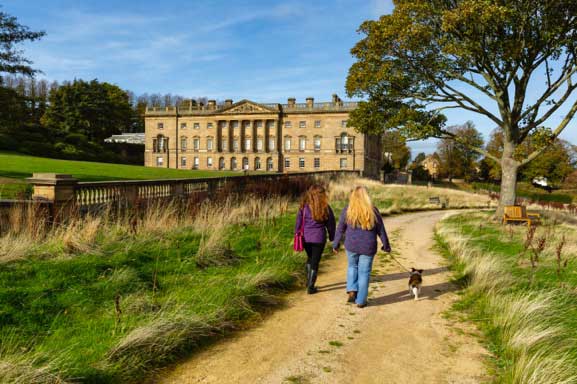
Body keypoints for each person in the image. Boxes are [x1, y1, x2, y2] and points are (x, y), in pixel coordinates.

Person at [333, 186, 391, 308]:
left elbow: (340, 229)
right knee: (364, 273)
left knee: (352, 266)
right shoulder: (373, 211)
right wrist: (386, 246)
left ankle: (352, 290)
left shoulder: (348, 210)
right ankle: (361, 301)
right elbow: (381, 230)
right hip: (368, 247)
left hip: (352, 245)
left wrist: (336, 244)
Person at [295, 185, 336, 294]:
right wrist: (332, 236)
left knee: (310, 258)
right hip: (319, 238)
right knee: (315, 261)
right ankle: (310, 286)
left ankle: (308, 282)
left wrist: (296, 234)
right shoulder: (325, 207)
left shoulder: (303, 206)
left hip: (306, 238)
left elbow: (298, 223)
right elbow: (331, 224)